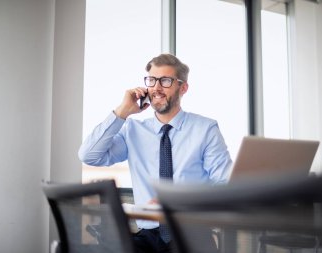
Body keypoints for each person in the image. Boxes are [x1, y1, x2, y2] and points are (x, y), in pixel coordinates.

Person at [78, 53, 232, 253]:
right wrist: (122, 111)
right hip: (146, 237)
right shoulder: (132, 130)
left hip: (191, 234)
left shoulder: (205, 129)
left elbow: (225, 183)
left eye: (165, 81)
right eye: (151, 80)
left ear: (183, 88)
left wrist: (180, 202)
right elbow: (89, 155)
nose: (156, 88)